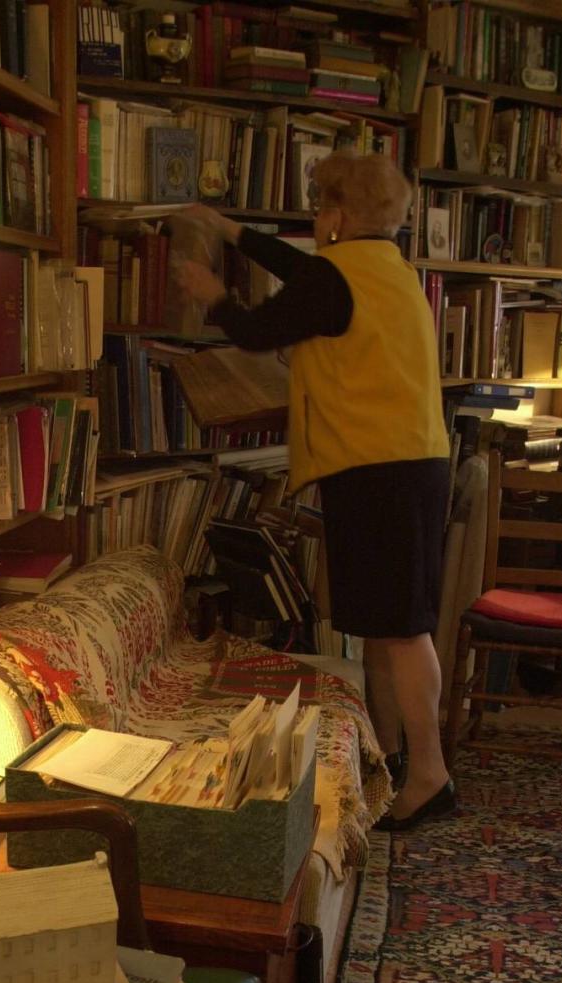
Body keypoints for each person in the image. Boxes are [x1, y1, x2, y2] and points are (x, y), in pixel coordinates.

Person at [176, 152, 455, 832]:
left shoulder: (338, 277)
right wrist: (235, 232)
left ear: (336, 214)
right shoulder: (384, 269)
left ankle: (430, 772)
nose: (314, 219)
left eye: (318, 207)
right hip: (402, 464)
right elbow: (304, 273)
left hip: (377, 469)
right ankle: (390, 758)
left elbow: (258, 329)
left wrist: (209, 291)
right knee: (387, 626)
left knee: (403, 627)